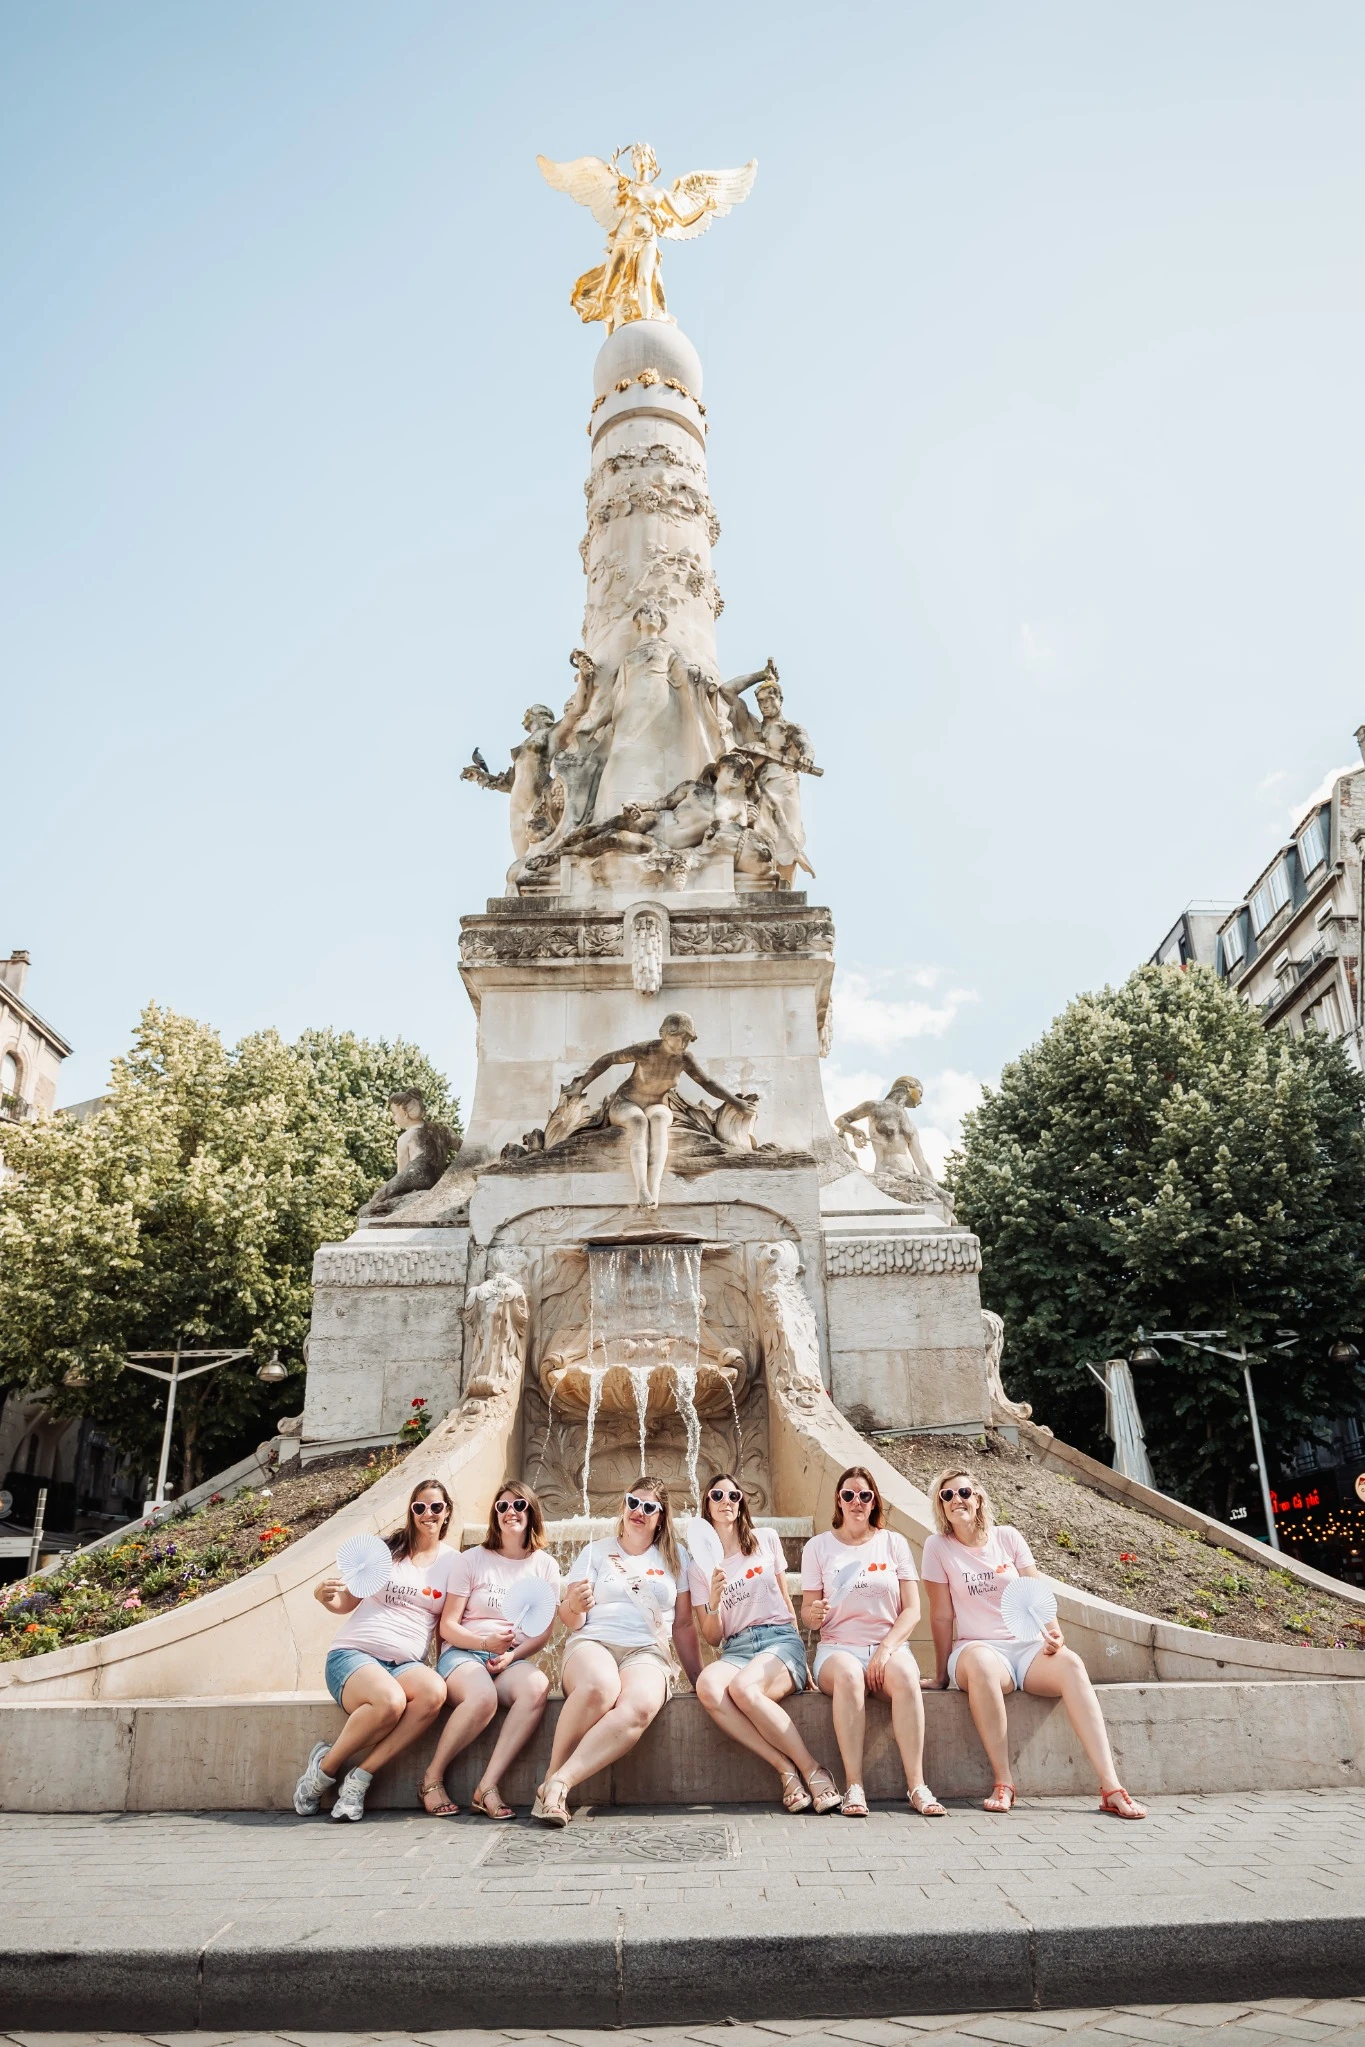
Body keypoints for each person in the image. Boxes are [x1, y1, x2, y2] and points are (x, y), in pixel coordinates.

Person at [920, 1466, 1146, 1819]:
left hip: (1025, 1647)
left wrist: (1054, 1634)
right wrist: (940, 1675)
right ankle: (1004, 1781)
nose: (956, 1500)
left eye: (963, 1492)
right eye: (946, 1495)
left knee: (1071, 1663)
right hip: (976, 1649)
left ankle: (1111, 1787)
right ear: (941, 1506)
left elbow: (1035, 1591)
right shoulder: (937, 1547)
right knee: (979, 1662)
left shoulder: (1007, 1538)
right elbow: (941, 1616)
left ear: (977, 1498)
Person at [535, 1476, 701, 1826]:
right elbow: (569, 1618)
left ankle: (559, 1782)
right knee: (600, 1687)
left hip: (647, 1650)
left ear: (661, 1517)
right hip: (593, 1642)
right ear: (624, 1505)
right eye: (633, 1502)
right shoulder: (596, 1551)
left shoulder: (676, 1558)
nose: (639, 1512)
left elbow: (683, 1625)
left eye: (649, 1507)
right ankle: (551, 1781)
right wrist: (575, 1605)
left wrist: (697, 1677)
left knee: (639, 1706)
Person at [294, 1479, 457, 1823]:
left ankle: (360, 1777)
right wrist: (324, 1596)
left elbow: (446, 1625)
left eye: (436, 1507)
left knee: (434, 1692)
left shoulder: (455, 1564)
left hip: (405, 1664)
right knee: (391, 1701)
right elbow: (346, 1601)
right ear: (411, 1513)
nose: (428, 1514)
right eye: (420, 1507)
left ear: (447, 1513)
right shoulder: (386, 1551)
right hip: (354, 1655)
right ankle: (324, 1770)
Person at [690, 1472, 841, 1814]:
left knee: (743, 1689)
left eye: (733, 1496)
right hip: (737, 1648)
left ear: (741, 1503)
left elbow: (787, 1603)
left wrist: (801, 1657)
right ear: (707, 1504)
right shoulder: (699, 1566)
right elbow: (713, 1637)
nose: (726, 1501)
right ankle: (783, 1767)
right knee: (709, 1687)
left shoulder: (765, 1539)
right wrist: (713, 1600)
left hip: (778, 1639)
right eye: (717, 1496)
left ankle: (812, 1769)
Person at [800, 1465, 945, 1819]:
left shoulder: (892, 1543)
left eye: (864, 1495)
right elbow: (807, 1611)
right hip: (837, 1649)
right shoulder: (819, 1547)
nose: (856, 1502)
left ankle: (917, 1785)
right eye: (849, 1495)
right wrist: (814, 1614)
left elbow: (911, 1611)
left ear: (874, 1501)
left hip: (888, 1644)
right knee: (850, 1675)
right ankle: (854, 1785)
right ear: (839, 1500)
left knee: (906, 1678)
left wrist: (885, 1650)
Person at [418, 1479, 560, 1820]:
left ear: (532, 1512)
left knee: (537, 1687)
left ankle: (487, 1786)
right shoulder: (472, 1560)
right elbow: (448, 1625)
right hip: (464, 1653)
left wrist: (512, 1655)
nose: (510, 1512)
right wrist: (484, 1644)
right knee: (483, 1698)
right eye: (502, 1507)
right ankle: (431, 1778)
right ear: (495, 1516)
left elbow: (542, 1633)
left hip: (508, 1659)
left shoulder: (545, 1566)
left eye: (519, 1505)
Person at [566, 1012, 753, 1209]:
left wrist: (736, 1102)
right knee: (639, 1122)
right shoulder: (646, 1050)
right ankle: (642, 1189)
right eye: (679, 1037)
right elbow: (609, 1059)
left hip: (657, 1103)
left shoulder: (684, 1059)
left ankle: (653, 1190)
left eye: (688, 1039)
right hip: (626, 1102)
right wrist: (581, 1084)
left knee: (660, 1120)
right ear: (664, 1034)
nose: (683, 1043)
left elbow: (707, 1082)